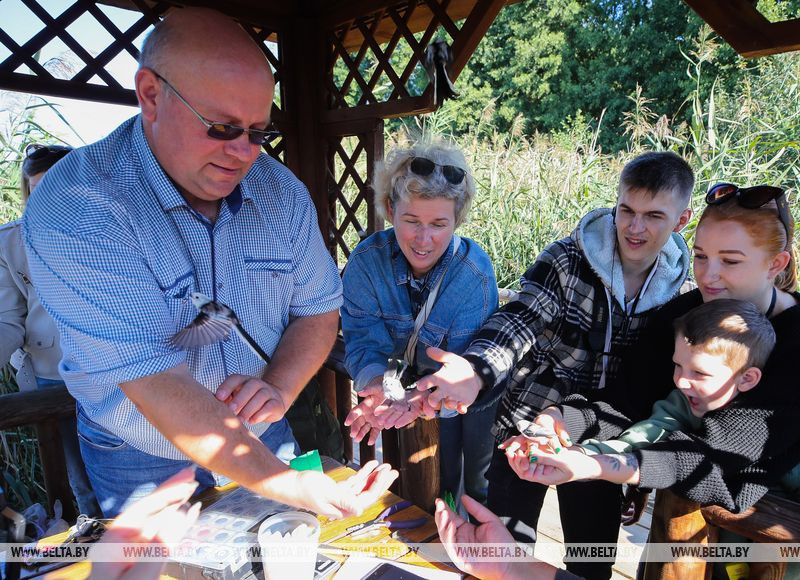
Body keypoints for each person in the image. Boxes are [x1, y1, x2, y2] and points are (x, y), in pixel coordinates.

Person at [22, 7, 396, 519]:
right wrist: (292, 485)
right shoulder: (79, 203)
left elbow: (319, 309)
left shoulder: (280, 194)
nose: (243, 153)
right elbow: (153, 378)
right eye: (221, 127)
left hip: (264, 433)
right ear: (151, 94)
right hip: (137, 452)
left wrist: (278, 389)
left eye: (258, 132)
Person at [518, 182, 800, 577]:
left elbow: (723, 457)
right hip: (683, 486)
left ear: (776, 264)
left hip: (783, 513)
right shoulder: (684, 316)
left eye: (731, 261)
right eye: (702, 256)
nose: (709, 276)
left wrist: (605, 464)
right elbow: (628, 400)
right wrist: (558, 420)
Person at [415, 151, 694, 577]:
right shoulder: (566, 260)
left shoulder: (681, 293)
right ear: (615, 204)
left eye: (654, 216)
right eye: (627, 211)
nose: (635, 228)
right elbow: (519, 318)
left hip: (600, 443)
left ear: (682, 219)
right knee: (502, 555)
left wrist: (636, 455)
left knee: (591, 562)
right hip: (525, 430)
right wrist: (477, 369)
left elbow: (655, 387)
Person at [341, 143, 499, 506]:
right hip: (403, 390)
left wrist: (421, 397)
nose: (423, 240)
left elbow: (465, 368)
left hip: (470, 394)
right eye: (411, 221)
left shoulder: (474, 275)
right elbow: (364, 341)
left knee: (474, 485)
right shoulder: (366, 263)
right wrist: (379, 385)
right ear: (389, 210)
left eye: (439, 224)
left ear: (456, 221)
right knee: (418, 491)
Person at [502, 299, 777, 491]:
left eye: (700, 374)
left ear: (748, 378)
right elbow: (642, 436)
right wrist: (580, 455)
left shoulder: (763, 421)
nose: (681, 381)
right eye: (678, 366)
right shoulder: (681, 403)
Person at [0, 143, 101, 516]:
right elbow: (8, 319)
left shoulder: (113, 229)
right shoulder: (10, 241)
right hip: (52, 375)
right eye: (40, 190)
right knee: (82, 482)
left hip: (118, 369)